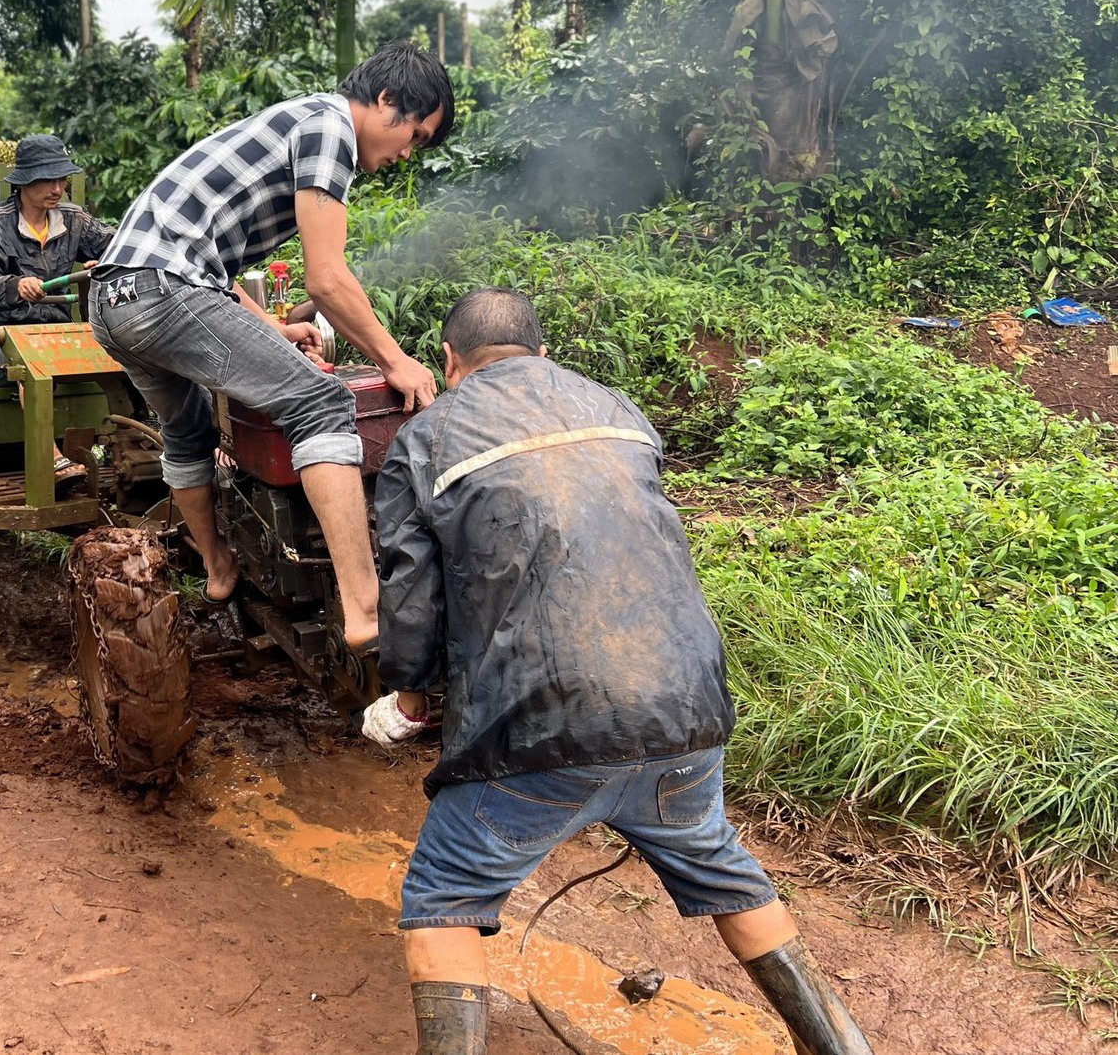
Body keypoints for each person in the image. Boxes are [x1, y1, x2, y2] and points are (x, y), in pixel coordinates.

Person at [366, 288, 873, 1055]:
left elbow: (410, 589)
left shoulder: (431, 435)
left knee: (444, 896)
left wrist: (409, 699)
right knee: (726, 870)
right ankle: (841, 1048)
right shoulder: (616, 408)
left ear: (449, 361)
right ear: (543, 352)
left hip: (541, 726)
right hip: (685, 709)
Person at [88, 40, 451, 649]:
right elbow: (326, 278)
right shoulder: (330, 127)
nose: (407, 153)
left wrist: (270, 328)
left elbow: (209, 260)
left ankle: (219, 570)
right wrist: (398, 361)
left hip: (115, 300)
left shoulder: (297, 120)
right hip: (162, 289)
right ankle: (365, 607)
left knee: (189, 430)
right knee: (320, 401)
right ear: (386, 100)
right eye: (414, 134)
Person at [0, 134, 113, 329]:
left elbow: (121, 244)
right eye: (48, 180)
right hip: (2, 330)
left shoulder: (74, 219)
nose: (57, 189)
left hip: (57, 328)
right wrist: (16, 286)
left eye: (62, 179)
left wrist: (108, 262)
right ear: (25, 181)